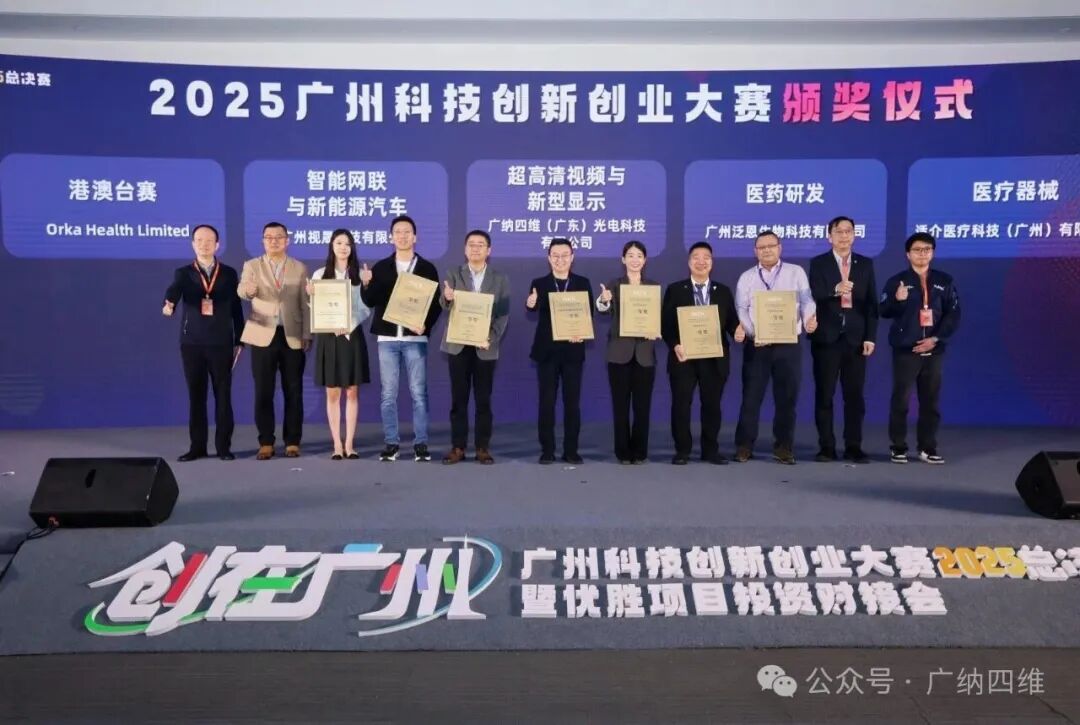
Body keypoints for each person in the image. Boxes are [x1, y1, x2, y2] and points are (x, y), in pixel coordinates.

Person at [359, 214, 442, 462]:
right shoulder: (381, 267)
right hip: (387, 339)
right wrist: (366, 284)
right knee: (388, 394)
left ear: (415, 237)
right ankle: (392, 443)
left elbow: (435, 304)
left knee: (418, 393)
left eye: (407, 232)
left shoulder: (427, 268)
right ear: (391, 237)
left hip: (415, 339)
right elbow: (370, 301)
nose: (402, 236)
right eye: (398, 232)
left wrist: (425, 325)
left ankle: (421, 444)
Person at [733, 230, 817, 465]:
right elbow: (741, 308)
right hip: (757, 345)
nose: (767, 250)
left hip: (788, 345)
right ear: (755, 252)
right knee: (751, 397)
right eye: (762, 247)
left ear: (780, 248)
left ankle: (783, 447)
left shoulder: (795, 272)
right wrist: (753, 332)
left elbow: (807, 300)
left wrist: (809, 319)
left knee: (787, 399)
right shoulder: (747, 277)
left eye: (771, 246)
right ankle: (744, 446)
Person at [162, 224, 244, 461]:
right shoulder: (183, 273)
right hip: (192, 343)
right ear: (192, 244)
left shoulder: (228, 273)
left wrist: (239, 339)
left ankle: (223, 447)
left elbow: (236, 308)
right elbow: (174, 291)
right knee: (196, 396)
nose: (204, 244)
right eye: (199, 240)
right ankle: (197, 447)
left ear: (217, 245)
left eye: (209, 241)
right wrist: (169, 303)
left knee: (223, 396)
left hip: (221, 342)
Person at [880, 232, 961, 465]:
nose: (922, 254)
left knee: (930, 402)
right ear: (908, 254)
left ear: (932, 253)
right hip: (906, 350)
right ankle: (898, 447)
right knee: (901, 401)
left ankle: (927, 447)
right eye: (917, 250)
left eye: (927, 249)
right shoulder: (897, 281)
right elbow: (883, 310)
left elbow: (953, 314)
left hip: (933, 349)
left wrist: (935, 338)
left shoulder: (944, 281)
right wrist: (897, 300)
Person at [661, 241, 741, 465]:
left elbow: (731, 322)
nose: (701, 261)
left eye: (706, 257)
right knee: (681, 405)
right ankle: (682, 450)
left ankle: (710, 450)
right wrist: (675, 345)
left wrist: (738, 331)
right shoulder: (676, 290)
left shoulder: (722, 291)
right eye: (696, 257)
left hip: (714, 358)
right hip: (684, 357)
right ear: (689, 262)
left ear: (712, 263)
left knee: (712, 405)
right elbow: (666, 325)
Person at [808, 216, 879, 464]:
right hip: (826, 338)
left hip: (855, 339)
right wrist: (834, 290)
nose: (844, 236)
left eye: (849, 231)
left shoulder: (865, 264)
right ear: (829, 236)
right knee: (824, 395)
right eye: (839, 231)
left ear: (854, 235)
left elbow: (871, 305)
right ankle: (826, 446)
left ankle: (853, 446)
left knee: (854, 396)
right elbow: (813, 295)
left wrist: (870, 337)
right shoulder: (818, 263)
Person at [239, 221, 311, 460]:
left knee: (294, 391)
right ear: (263, 241)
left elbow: (305, 303)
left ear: (287, 241)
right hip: (262, 334)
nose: (274, 241)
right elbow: (242, 290)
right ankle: (266, 442)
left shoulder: (299, 267)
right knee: (263, 391)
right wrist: (249, 291)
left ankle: (292, 441)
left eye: (279, 237)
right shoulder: (252, 265)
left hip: (292, 335)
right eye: (269, 237)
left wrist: (307, 333)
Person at [439, 230, 511, 465]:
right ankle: (458, 447)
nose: (476, 248)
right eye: (471, 244)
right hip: (458, 345)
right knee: (458, 400)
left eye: (481, 245)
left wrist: (491, 337)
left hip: (484, 345)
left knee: (483, 400)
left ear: (489, 250)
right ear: (465, 249)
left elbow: (503, 314)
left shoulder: (499, 279)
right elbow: (444, 305)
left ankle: (482, 447)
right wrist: (447, 297)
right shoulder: (453, 274)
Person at [526, 238, 594, 465]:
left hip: (573, 352)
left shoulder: (582, 282)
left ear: (572, 257)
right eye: (555, 255)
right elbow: (532, 306)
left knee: (572, 403)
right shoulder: (539, 283)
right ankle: (547, 450)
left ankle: (571, 450)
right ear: (549, 258)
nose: (560, 260)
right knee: (546, 403)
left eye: (565, 255)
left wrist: (582, 331)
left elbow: (589, 314)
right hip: (547, 352)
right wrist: (531, 303)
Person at [308, 229, 372, 460]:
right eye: (339, 243)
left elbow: (366, 308)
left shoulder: (361, 275)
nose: (343, 247)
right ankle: (336, 444)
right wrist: (310, 296)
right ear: (331, 246)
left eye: (347, 243)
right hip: (329, 337)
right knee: (333, 393)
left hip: (352, 336)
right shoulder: (319, 274)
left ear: (352, 247)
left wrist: (350, 323)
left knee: (352, 392)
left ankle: (350, 444)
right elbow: (316, 310)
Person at [596, 241, 661, 464]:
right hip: (619, 354)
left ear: (645, 260)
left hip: (645, 354)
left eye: (639, 255)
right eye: (630, 255)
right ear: (623, 259)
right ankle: (623, 452)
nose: (635, 259)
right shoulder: (614, 285)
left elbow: (659, 316)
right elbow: (603, 309)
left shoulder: (653, 287)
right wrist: (603, 301)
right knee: (620, 406)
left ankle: (640, 451)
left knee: (642, 407)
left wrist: (656, 329)